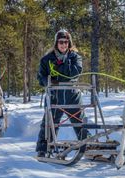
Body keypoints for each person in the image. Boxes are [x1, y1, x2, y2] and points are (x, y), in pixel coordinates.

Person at [36, 29, 89, 157]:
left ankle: (87, 145)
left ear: (69, 43)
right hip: (55, 96)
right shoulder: (47, 59)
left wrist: (61, 65)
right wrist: (47, 81)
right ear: (56, 43)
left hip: (72, 95)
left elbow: (74, 72)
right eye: (61, 42)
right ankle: (43, 148)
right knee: (49, 123)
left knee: (79, 122)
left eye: (66, 42)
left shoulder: (75, 57)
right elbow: (41, 76)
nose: (63, 45)